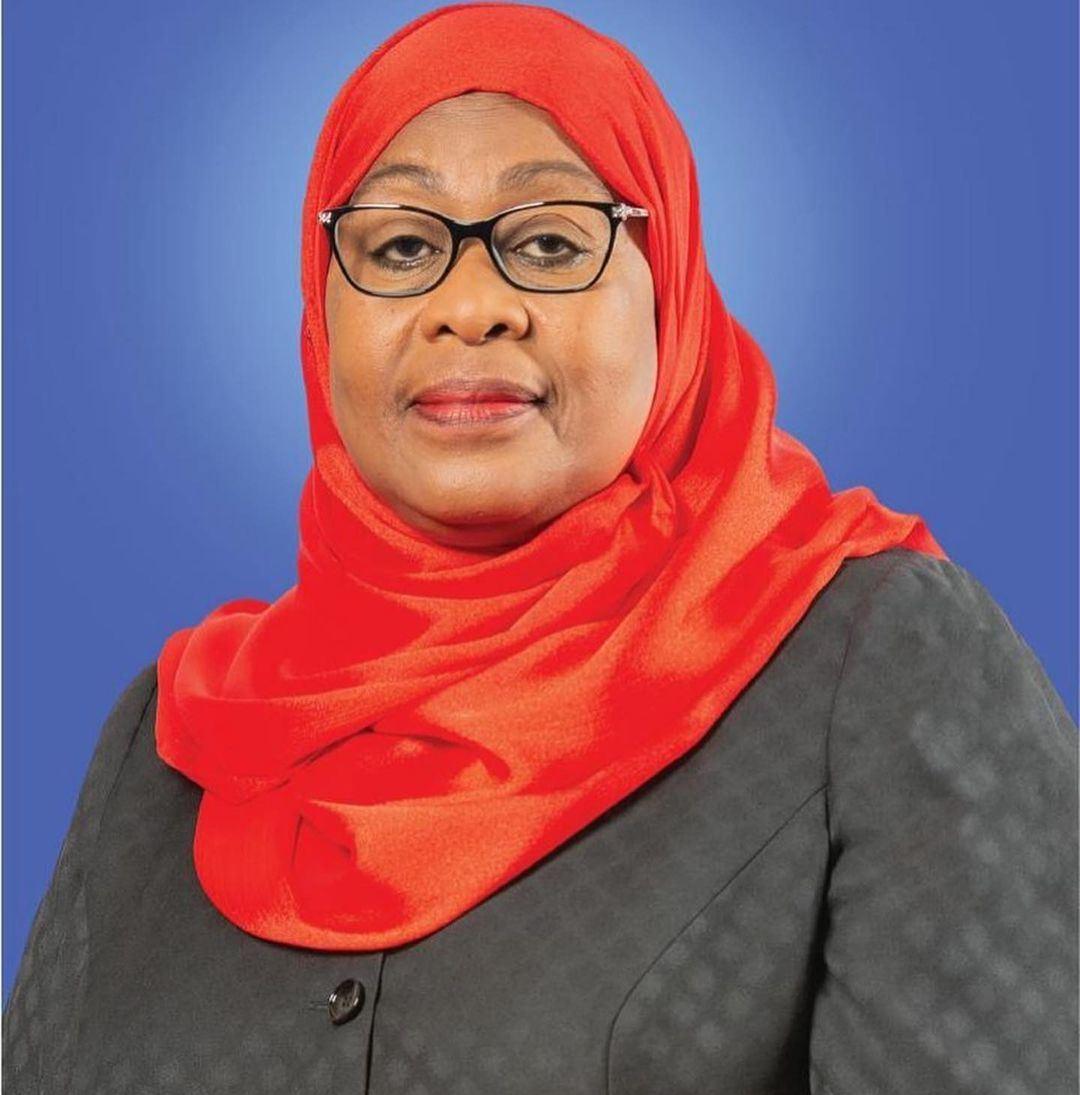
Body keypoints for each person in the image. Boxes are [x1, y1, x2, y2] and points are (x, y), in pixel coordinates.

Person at [4, 3, 1076, 1093]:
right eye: (403, 246)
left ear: (672, 289)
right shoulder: (175, 741)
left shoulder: (876, 666)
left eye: (551, 242)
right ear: (321, 312)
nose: (471, 308)